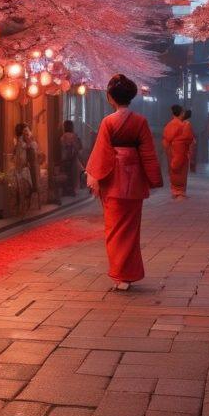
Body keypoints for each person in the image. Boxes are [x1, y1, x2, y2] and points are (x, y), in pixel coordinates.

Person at [84, 74, 163, 291]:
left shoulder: (108, 122)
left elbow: (101, 152)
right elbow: (148, 153)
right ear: (132, 97)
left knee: (114, 229)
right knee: (131, 230)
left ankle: (120, 275)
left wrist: (96, 177)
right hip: (134, 180)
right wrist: (154, 179)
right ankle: (127, 274)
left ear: (110, 98)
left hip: (113, 180)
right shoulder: (140, 121)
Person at [162, 104, 195, 199]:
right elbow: (189, 139)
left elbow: (165, 140)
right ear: (182, 113)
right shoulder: (185, 125)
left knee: (173, 170)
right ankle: (180, 191)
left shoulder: (169, 125)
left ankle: (175, 190)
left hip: (171, 150)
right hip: (182, 151)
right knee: (181, 171)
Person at [12, 123, 39, 210]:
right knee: (27, 186)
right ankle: (24, 204)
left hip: (25, 168)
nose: (28, 133)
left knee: (26, 187)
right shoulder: (21, 142)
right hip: (24, 169)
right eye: (26, 131)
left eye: (28, 131)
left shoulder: (20, 142)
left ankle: (23, 205)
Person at [58, 120, 83, 196]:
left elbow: (62, 149)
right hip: (73, 159)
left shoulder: (62, 137)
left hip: (63, 160)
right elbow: (78, 148)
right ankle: (74, 189)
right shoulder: (74, 136)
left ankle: (66, 190)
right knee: (78, 166)